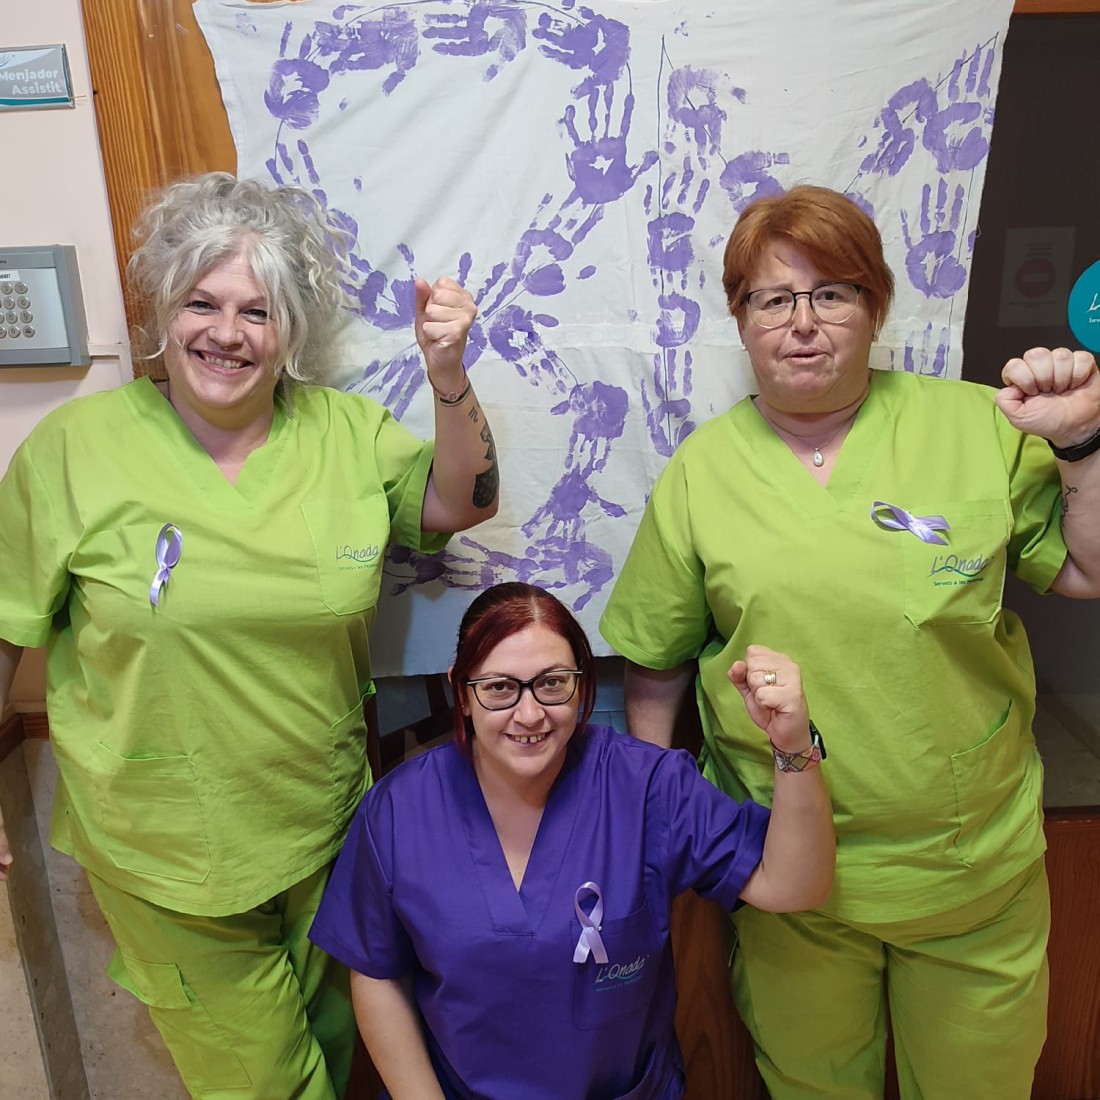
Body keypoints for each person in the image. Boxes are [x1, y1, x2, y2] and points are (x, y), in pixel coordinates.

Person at [0, 172, 499, 1099]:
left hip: (327, 827)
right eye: (203, 303)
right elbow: (3, 627)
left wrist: (448, 376)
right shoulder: (71, 451)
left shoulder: (346, 433)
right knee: (269, 1084)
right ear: (162, 309)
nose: (227, 332)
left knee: (337, 1053)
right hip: (165, 850)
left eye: (257, 311)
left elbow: (463, 501)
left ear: (289, 331)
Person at [599, 183, 1100, 1100]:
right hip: (787, 875)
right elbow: (656, 657)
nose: (802, 322)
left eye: (831, 293)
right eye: (771, 299)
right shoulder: (704, 469)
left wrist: (1082, 446)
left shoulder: (976, 427)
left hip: (967, 869)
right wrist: (659, 811)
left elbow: (1085, 570)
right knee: (813, 1087)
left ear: (875, 308)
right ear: (741, 321)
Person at [309, 581, 834, 1100]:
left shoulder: (647, 787)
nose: (530, 713)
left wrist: (791, 744)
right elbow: (377, 973)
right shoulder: (399, 811)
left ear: (580, 686)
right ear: (461, 694)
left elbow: (793, 886)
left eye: (553, 683)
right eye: (499, 688)